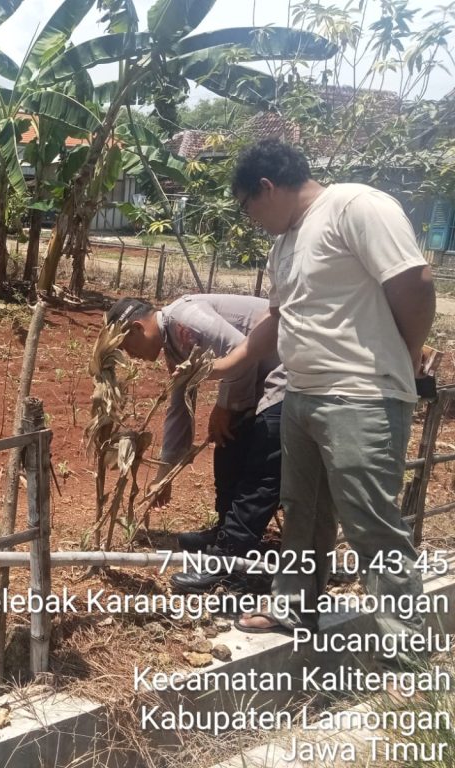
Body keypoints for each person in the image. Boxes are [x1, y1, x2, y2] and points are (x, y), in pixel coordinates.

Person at [213, 139, 435, 651]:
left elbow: (415, 282)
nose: (250, 219)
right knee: (304, 512)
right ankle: (294, 606)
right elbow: (278, 317)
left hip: (361, 395)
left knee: (372, 523)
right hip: (303, 395)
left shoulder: (355, 206)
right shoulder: (285, 242)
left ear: (266, 188)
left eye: (247, 206)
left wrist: (405, 354)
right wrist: (224, 366)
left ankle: (404, 651)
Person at [106, 295, 285, 593]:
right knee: (227, 450)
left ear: (137, 328)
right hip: (260, 384)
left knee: (259, 469)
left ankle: (231, 560)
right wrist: (165, 474)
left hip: (287, 375)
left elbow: (240, 350)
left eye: (126, 346)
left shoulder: (184, 318)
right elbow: (180, 405)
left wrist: (225, 407)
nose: (130, 355)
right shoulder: (174, 343)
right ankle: (226, 533)